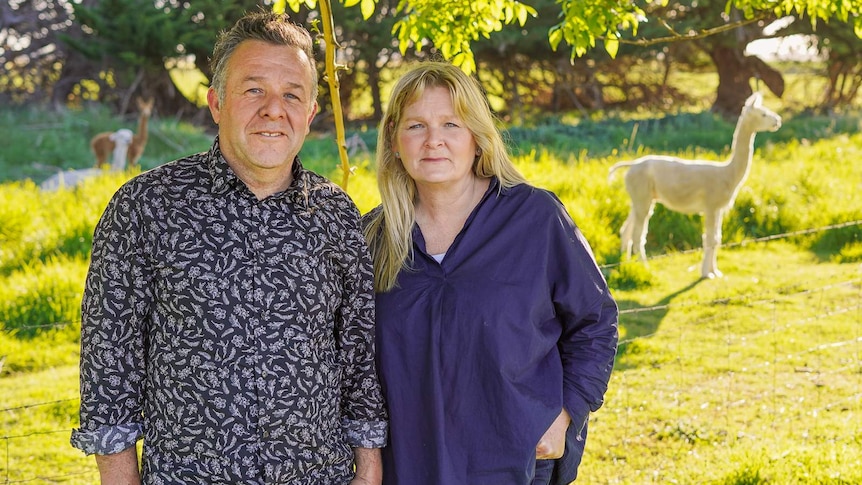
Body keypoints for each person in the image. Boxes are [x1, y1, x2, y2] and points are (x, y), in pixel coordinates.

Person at [70, 11, 387, 485]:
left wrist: (368, 471)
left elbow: (358, 360)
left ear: (310, 114)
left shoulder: (337, 215)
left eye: (291, 95)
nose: (274, 109)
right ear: (217, 102)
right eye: (254, 89)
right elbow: (108, 371)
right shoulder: (145, 208)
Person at [362, 61, 618, 485]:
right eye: (415, 126)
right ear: (393, 140)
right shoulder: (372, 239)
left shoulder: (535, 218)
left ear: (477, 139)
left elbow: (595, 322)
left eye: (450, 124)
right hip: (407, 468)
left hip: (515, 463)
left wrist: (569, 412)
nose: (433, 141)